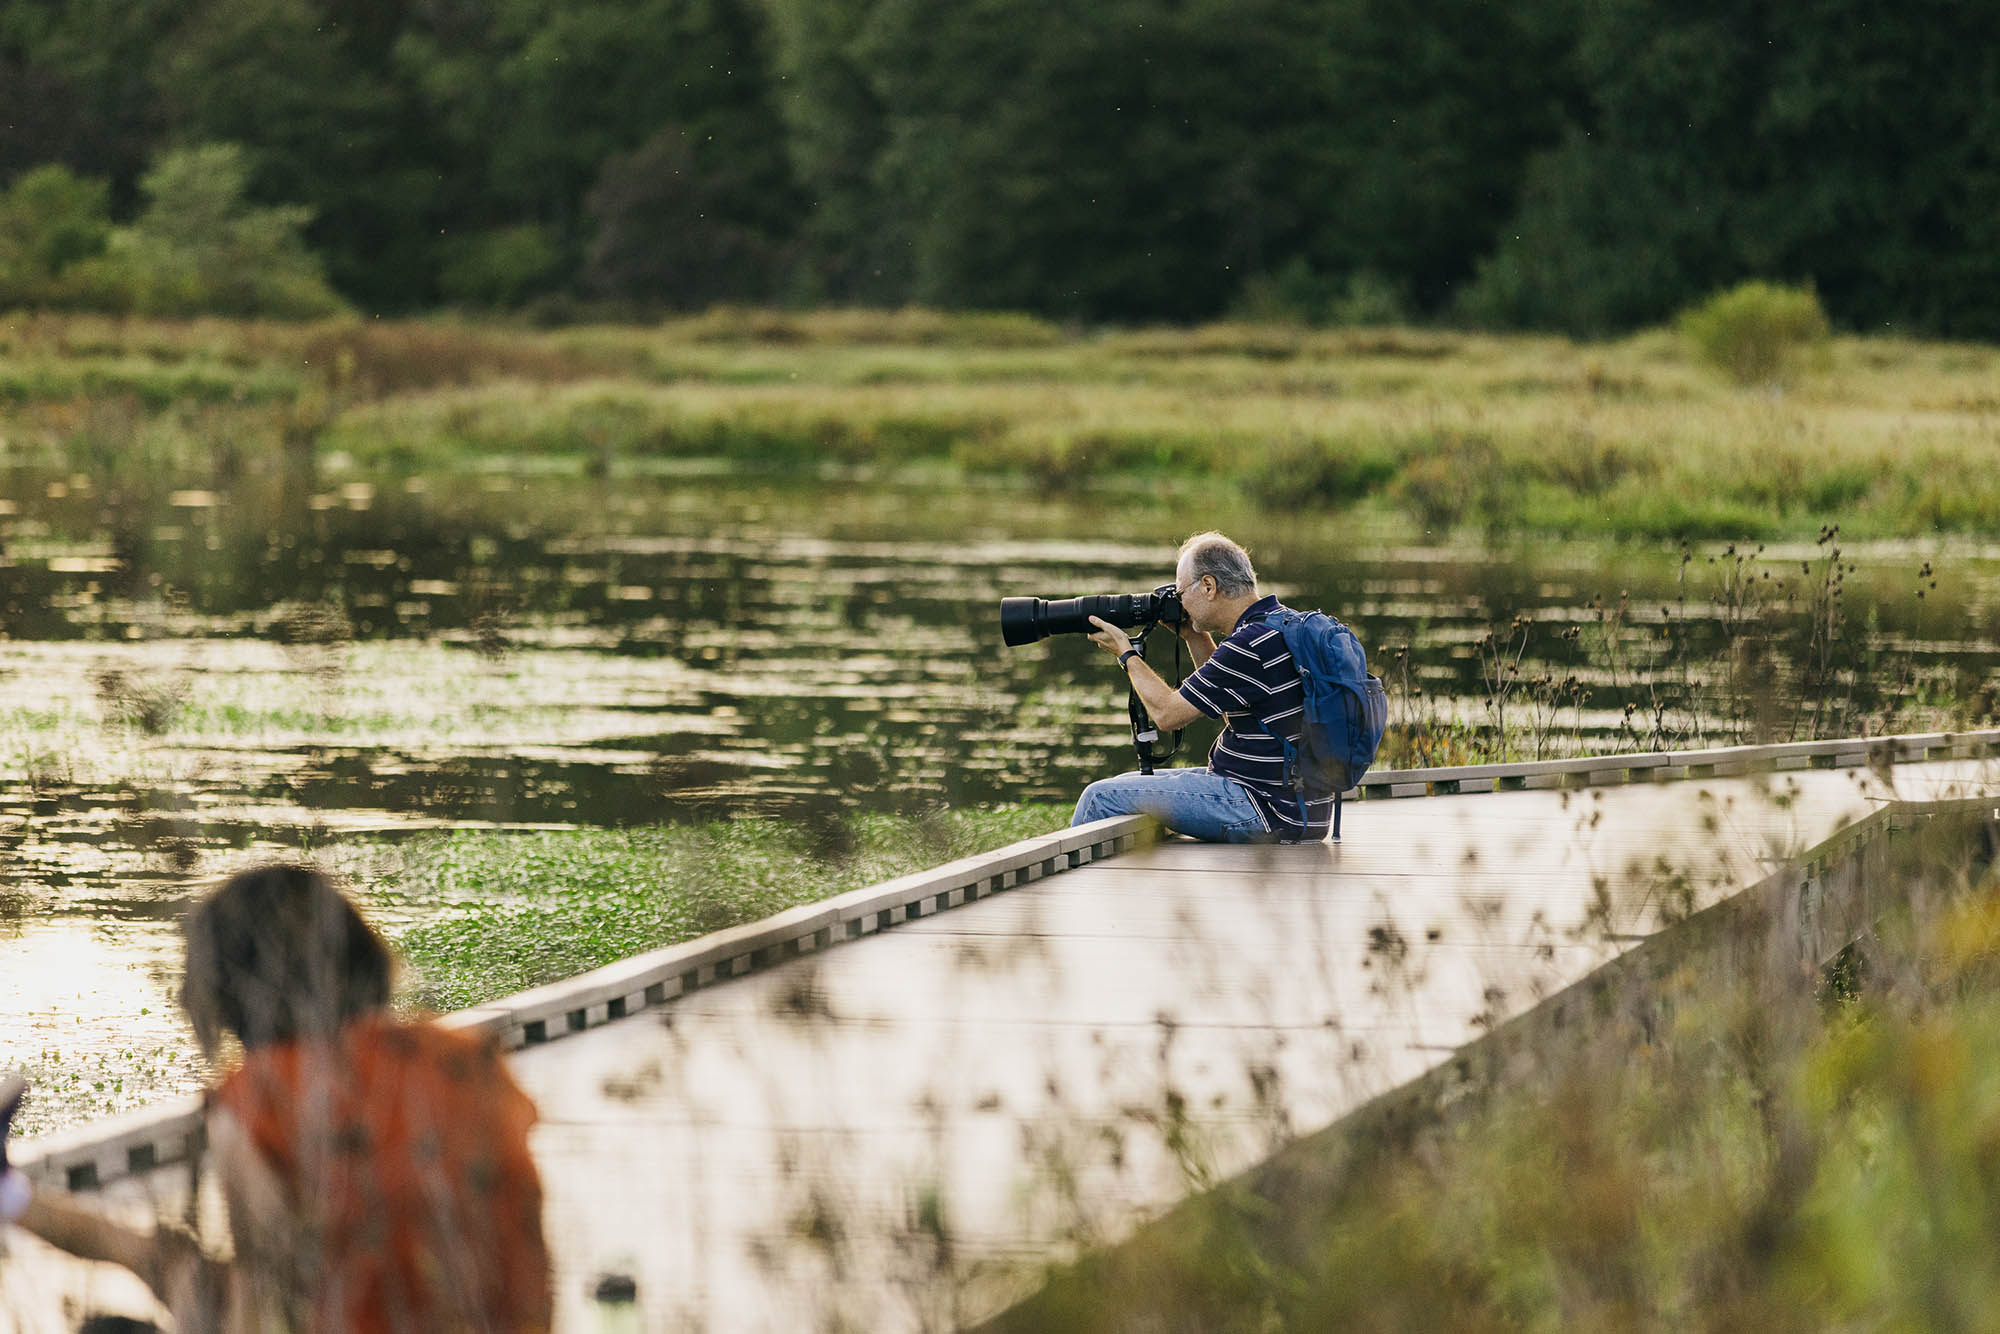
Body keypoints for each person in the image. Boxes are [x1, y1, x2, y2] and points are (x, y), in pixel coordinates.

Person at [1, 862, 552, 1333]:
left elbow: (261, 1312)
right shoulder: (467, 1060)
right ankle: (14, 1199)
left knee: (140, 1300)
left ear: (227, 990)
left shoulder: (260, 1101)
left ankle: (12, 1199)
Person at [1071, 531, 1337, 843]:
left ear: (1208, 586)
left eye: (1181, 592)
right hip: (1299, 807)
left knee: (1098, 797)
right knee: (1124, 783)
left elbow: (1167, 715)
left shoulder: (1248, 645)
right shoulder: (1280, 625)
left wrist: (1126, 653)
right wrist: (1194, 635)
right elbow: (1239, 709)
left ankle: (1070, 891)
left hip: (1264, 808)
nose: (1178, 601)